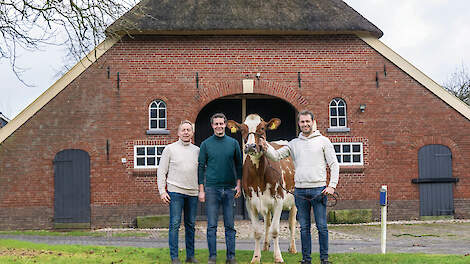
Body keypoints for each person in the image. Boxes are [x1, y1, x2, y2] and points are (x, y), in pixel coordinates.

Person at [261, 110, 339, 264]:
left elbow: (334, 164)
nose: (305, 124)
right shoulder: (294, 144)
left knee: (322, 227)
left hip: (319, 190)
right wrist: (265, 146)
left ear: (313, 122)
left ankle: (324, 259)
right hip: (300, 191)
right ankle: (306, 259)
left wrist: (332, 186)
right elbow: (276, 156)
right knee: (304, 228)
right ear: (299, 124)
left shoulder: (324, 141)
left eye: (307, 121)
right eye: (302, 122)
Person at [198, 113, 243, 264]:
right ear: (212, 126)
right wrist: (201, 190)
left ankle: (231, 257)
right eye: (216, 124)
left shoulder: (233, 143)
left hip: (230, 189)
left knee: (230, 225)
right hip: (211, 189)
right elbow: (200, 167)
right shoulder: (205, 144)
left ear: (225, 125)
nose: (219, 126)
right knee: (211, 226)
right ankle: (212, 257)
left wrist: (238, 184)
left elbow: (239, 165)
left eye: (221, 124)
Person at [157, 120, 200, 264]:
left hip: (192, 193)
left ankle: (190, 256)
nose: (186, 132)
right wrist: (162, 191)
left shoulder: (197, 150)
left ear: (192, 133)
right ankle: (174, 257)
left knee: (191, 225)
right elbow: (161, 171)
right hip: (175, 192)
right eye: (183, 130)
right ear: (178, 133)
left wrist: (201, 190)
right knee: (175, 224)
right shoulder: (170, 149)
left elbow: (202, 172)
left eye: (189, 130)